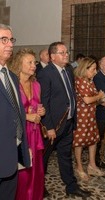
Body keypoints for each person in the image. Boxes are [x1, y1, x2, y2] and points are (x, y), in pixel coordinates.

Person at [37, 42, 91, 198]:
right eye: (62, 52)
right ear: (53, 56)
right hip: (53, 125)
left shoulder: (68, 70)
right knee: (44, 159)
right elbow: (44, 101)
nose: (66, 54)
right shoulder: (45, 74)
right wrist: (49, 126)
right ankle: (39, 187)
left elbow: (70, 96)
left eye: (66, 52)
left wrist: (73, 118)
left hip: (68, 123)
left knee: (65, 155)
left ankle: (71, 186)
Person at [0, 24, 30, 200]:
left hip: (12, 154)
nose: (10, 44)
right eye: (4, 40)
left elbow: (16, 113)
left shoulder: (11, 76)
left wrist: (23, 146)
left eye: (11, 40)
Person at [10, 48, 45, 200]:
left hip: (35, 134)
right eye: (29, 62)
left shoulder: (37, 85)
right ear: (19, 64)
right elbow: (6, 112)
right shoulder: (12, 84)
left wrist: (41, 111)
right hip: (18, 135)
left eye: (34, 62)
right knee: (22, 174)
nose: (33, 65)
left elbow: (37, 106)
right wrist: (27, 116)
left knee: (36, 172)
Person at [73, 57, 105, 182]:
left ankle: (92, 165)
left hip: (91, 115)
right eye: (93, 69)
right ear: (84, 69)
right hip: (81, 117)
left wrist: (102, 102)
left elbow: (93, 100)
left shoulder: (89, 81)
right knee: (79, 142)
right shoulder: (79, 81)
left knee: (93, 139)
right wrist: (100, 96)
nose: (95, 72)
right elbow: (87, 100)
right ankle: (79, 167)